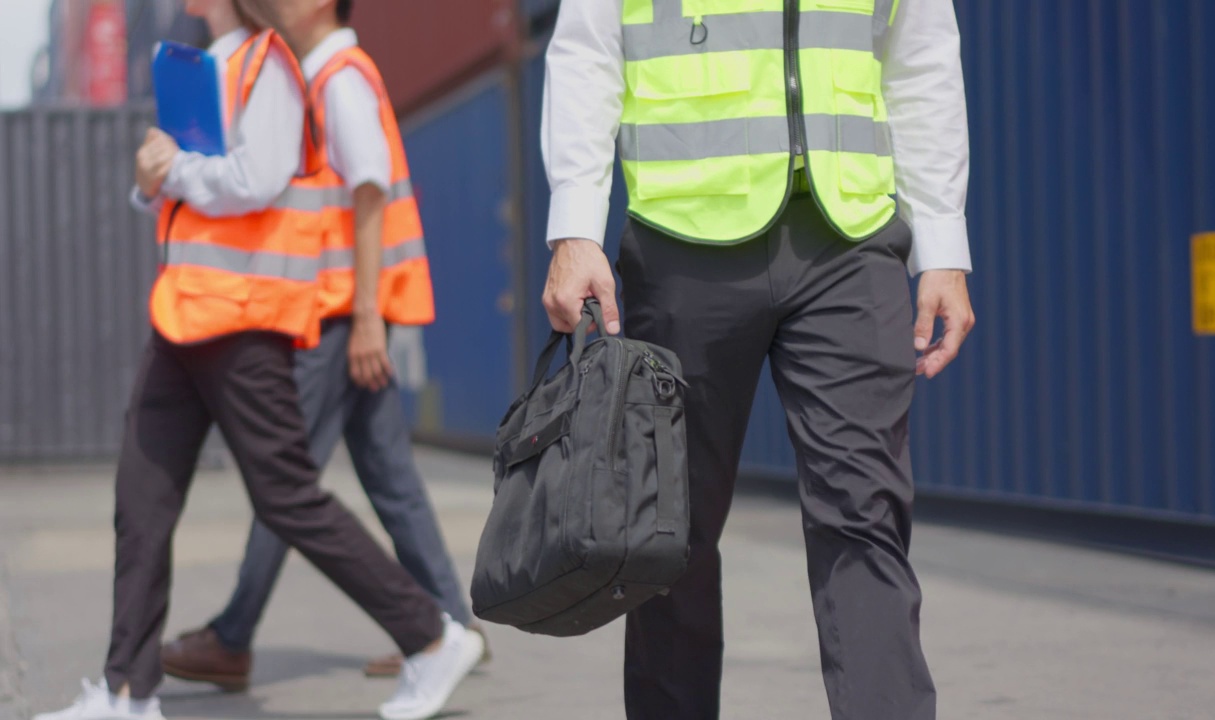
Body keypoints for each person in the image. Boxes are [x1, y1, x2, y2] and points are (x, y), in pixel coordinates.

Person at [32, 2, 482, 719]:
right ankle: (126, 693)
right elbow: (183, 192)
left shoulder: (271, 64)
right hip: (183, 315)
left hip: (246, 320)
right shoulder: (206, 71)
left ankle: (431, 636)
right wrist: (152, 180)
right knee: (141, 503)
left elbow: (259, 178)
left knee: (289, 498)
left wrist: (173, 168)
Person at [539, 0, 975, 718]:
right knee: (667, 527)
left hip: (850, 236)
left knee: (864, 514)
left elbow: (921, 54)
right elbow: (587, 48)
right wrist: (576, 227)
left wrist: (942, 245)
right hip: (685, 235)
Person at [159, 0, 486, 690]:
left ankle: (234, 637)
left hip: (341, 313)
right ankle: (454, 626)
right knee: (388, 479)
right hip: (347, 311)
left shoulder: (336, 75)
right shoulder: (328, 71)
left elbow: (368, 194)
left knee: (285, 481)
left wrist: (367, 317)